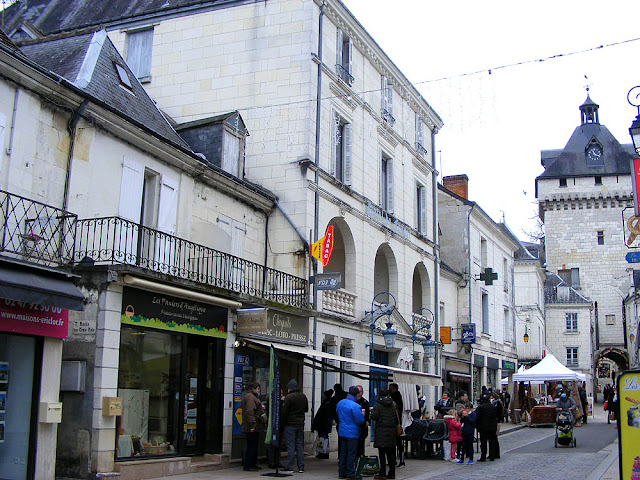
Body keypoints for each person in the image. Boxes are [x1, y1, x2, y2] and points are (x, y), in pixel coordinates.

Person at [337, 386, 365, 480]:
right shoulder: (356, 406)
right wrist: (363, 415)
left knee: (343, 452)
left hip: (342, 431)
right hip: (352, 432)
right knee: (351, 453)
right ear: (356, 394)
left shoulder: (340, 403)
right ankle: (350, 473)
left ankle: (341, 472)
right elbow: (359, 420)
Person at [281, 379, 308, 473]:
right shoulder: (303, 396)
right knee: (299, 445)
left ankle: (290, 466)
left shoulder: (288, 397)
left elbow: (284, 412)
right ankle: (301, 467)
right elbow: (306, 409)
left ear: (289, 388)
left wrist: (282, 423)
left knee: (291, 445)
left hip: (290, 424)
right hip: (300, 423)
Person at [371, 388, 397, 480]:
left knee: (382, 454)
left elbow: (374, 416)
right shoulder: (393, 404)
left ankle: (382, 473)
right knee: (391, 454)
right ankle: (392, 473)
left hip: (381, 431)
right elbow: (396, 417)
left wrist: (371, 412)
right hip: (391, 431)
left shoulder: (378, 404)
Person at [241, 382, 264, 471]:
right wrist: (253, 425)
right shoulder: (250, 397)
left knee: (252, 445)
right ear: (254, 389)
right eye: (258, 389)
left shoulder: (249, 396)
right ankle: (249, 464)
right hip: (251, 426)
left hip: (251, 425)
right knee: (252, 446)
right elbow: (250, 412)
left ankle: (252, 464)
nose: (259, 391)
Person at [311, 389, 334, 459]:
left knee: (322, 438)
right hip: (325, 425)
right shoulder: (328, 403)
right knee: (324, 438)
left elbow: (321, 415)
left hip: (323, 425)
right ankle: (324, 452)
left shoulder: (326, 404)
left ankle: (322, 453)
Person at [475, 394, 498, 462]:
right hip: (492, 427)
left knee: (483, 443)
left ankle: (483, 456)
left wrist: (477, 426)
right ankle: (492, 456)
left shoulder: (480, 407)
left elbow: (477, 418)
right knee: (492, 442)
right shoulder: (492, 407)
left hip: (483, 427)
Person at [267, 388, 285, 468]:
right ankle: (271, 461)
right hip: (273, 425)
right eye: (280, 394)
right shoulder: (272, 400)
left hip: (280, 425)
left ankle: (277, 461)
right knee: (273, 444)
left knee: (278, 444)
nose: (282, 395)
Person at [388, 383, 405, 467]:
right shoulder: (392, 396)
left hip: (396, 423)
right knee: (393, 442)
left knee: (398, 442)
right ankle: (394, 459)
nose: (389, 389)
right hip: (394, 422)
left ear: (394, 389)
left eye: (390, 388)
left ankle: (401, 459)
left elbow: (399, 410)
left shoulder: (397, 397)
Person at [355, 385, 370, 457]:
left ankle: (361, 456)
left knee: (361, 442)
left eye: (361, 392)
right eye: (358, 392)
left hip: (362, 426)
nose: (359, 393)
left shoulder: (365, 402)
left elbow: (367, 413)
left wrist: (367, 421)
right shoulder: (352, 401)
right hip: (354, 426)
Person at [489, 392, 502, 459]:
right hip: (496, 422)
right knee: (494, 438)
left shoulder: (497, 404)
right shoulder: (495, 403)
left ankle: (496, 453)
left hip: (496, 422)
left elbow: (498, 413)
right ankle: (495, 453)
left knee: (494, 438)